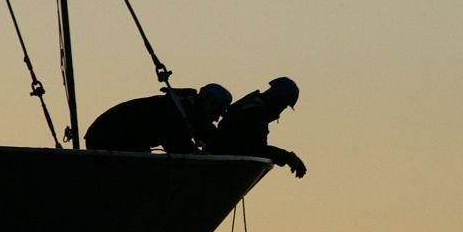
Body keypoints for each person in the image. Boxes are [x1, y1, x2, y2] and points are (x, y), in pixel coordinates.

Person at [84, 83, 232, 153]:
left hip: (109, 136)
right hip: (105, 137)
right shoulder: (175, 111)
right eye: (218, 110)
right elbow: (179, 147)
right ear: (208, 101)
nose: (217, 118)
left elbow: (203, 131)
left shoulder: (184, 109)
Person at [210, 77, 307, 178]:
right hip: (222, 168)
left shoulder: (252, 107)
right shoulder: (254, 113)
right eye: (284, 104)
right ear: (277, 98)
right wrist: (287, 157)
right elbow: (254, 149)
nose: (281, 109)